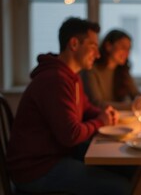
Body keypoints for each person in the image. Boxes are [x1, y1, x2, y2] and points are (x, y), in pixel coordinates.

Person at [6, 17, 131, 195]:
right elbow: (71, 135)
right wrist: (101, 121)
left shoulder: (71, 76)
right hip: (36, 169)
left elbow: (86, 108)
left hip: (54, 157)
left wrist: (103, 113)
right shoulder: (55, 79)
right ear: (74, 44)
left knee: (125, 167)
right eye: (93, 46)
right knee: (121, 188)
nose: (97, 54)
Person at [82, 29, 139, 110]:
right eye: (123, 47)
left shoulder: (123, 71)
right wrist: (131, 106)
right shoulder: (91, 70)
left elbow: (135, 94)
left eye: (129, 49)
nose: (127, 53)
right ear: (108, 46)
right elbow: (96, 103)